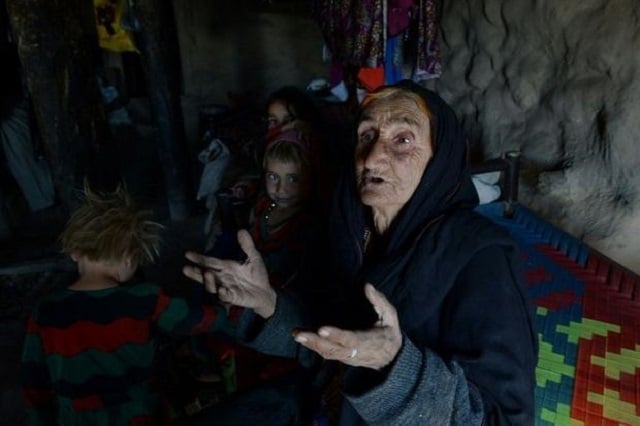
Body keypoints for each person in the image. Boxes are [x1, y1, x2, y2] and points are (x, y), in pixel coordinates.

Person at [183, 80, 538, 425]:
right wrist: (269, 304)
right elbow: (327, 343)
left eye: (402, 140)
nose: (372, 158)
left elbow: (504, 418)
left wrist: (394, 364)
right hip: (325, 402)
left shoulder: (482, 258)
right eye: (366, 136)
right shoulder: (352, 228)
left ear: (438, 159)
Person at [21, 185, 234, 425]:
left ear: (73, 252)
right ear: (130, 259)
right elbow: (190, 319)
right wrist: (224, 310)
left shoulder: (45, 310)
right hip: (138, 416)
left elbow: (33, 384)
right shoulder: (143, 297)